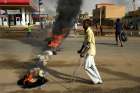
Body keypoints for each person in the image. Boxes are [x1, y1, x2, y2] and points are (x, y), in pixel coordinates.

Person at [79, 19, 103, 84]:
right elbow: (85, 42)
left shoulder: (89, 32)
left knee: (86, 67)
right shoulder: (86, 31)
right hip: (90, 51)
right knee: (92, 66)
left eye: (84, 24)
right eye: (83, 23)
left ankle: (96, 79)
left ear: (87, 24)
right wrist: (81, 50)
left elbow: (88, 44)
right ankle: (99, 79)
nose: (83, 25)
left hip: (90, 51)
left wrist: (83, 53)